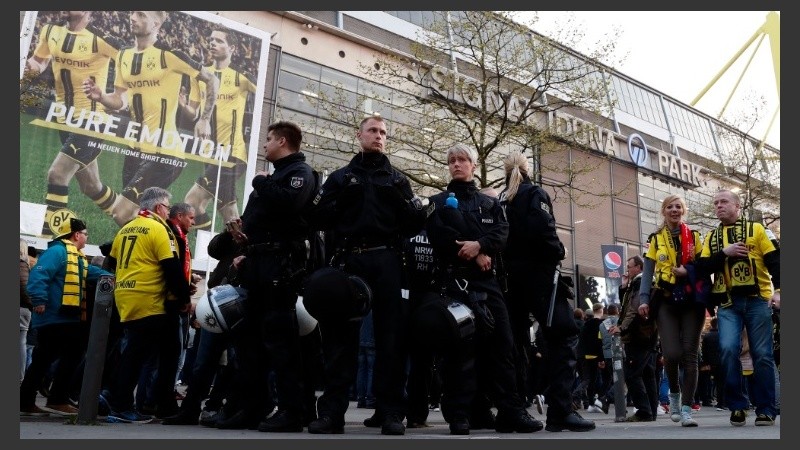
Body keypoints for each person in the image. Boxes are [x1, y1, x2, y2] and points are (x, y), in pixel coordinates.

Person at [305, 113, 426, 435]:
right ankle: (332, 414)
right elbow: (316, 217)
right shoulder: (340, 178)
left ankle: (391, 412)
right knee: (340, 339)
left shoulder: (398, 180)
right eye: (372, 130)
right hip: (349, 260)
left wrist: (404, 203)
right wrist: (339, 203)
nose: (379, 136)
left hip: (387, 260)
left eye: (383, 132)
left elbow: (416, 223)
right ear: (359, 136)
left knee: (391, 340)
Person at [423, 143, 542, 435]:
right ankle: (460, 415)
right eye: (452, 160)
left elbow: (501, 233)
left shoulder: (489, 204)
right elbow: (441, 236)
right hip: (454, 283)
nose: (456, 164)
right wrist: (476, 251)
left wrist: (481, 245)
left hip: (488, 284)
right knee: (460, 349)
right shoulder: (437, 202)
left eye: (462, 160)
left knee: (504, 346)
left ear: (473, 165)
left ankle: (510, 412)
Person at [82, 11, 219, 227]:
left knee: (121, 213)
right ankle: (164, 244)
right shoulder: (124, 55)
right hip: (134, 149)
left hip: (164, 152)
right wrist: (102, 97)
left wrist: (204, 119)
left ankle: (170, 242)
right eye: (132, 13)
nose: (133, 17)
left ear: (156, 23)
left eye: (141, 14)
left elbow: (212, 79)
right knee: (136, 218)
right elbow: (119, 100)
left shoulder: (169, 56)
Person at [225, 121, 318, 432]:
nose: (265, 144)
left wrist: (259, 182)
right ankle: (253, 406)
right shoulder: (275, 176)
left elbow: (290, 203)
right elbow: (259, 219)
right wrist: (242, 237)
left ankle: (292, 411)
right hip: (257, 263)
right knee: (250, 340)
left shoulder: (299, 173)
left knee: (280, 340)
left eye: (268, 139)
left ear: (282, 141)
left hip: (279, 265)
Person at [498, 149, 595, 432]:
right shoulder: (533, 194)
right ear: (527, 168)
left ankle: (513, 410)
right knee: (564, 336)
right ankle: (560, 410)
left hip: (509, 279)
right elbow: (543, 230)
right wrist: (559, 250)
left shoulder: (501, 199)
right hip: (539, 278)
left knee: (515, 344)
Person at [25, 11, 120, 238]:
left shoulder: (101, 40)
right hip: (64, 120)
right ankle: (133, 220)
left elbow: (131, 65)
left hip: (91, 121)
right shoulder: (51, 30)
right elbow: (39, 62)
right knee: (91, 186)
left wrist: (117, 96)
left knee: (57, 174)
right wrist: (26, 65)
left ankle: (49, 238)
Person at [103, 187, 192, 423]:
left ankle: (154, 403)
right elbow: (171, 267)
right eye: (167, 207)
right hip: (151, 299)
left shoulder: (127, 228)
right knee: (143, 353)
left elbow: (109, 262)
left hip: (126, 296)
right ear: (158, 207)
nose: (168, 212)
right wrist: (184, 297)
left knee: (145, 350)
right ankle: (121, 404)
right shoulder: (159, 228)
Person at [697, 189, 780, 427]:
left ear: (737, 206)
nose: (718, 206)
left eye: (723, 201)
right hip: (727, 303)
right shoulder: (712, 237)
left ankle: (766, 409)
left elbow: (776, 260)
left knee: (762, 354)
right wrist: (725, 253)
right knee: (727, 350)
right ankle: (737, 406)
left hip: (758, 300)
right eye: (715, 203)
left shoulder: (758, 229)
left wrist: (779, 290)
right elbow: (702, 267)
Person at [20, 218, 110, 416]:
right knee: (58, 356)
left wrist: (112, 277)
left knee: (52, 357)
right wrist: (39, 300)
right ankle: (54, 400)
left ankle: (33, 400)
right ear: (76, 235)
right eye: (85, 234)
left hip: (63, 318)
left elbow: (89, 272)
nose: (87, 237)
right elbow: (39, 275)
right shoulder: (58, 252)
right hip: (54, 317)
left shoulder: (75, 257)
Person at [181, 26, 257, 231]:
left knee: (192, 202)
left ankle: (210, 243)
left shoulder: (241, 77)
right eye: (211, 40)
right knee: (229, 213)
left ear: (232, 48)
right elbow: (194, 113)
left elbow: (262, 93)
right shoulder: (200, 75)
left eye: (219, 40)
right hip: (211, 154)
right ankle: (238, 247)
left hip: (231, 154)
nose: (212, 43)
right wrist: (184, 106)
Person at [638, 194, 704, 427]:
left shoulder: (694, 237)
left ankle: (686, 409)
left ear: (683, 211)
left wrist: (689, 271)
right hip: (666, 301)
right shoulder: (655, 239)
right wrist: (643, 299)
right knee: (672, 354)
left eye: (678, 207)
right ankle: (674, 394)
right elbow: (647, 272)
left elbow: (704, 267)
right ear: (663, 211)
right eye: (670, 207)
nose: (674, 210)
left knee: (690, 355)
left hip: (692, 301)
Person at [609, 255, 659, 421]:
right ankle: (651, 411)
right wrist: (624, 287)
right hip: (648, 335)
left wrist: (621, 328)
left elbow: (632, 310)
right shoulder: (643, 282)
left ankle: (644, 411)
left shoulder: (640, 283)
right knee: (648, 374)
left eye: (629, 267)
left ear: (639, 267)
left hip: (638, 336)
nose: (627, 270)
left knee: (632, 374)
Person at [598, 302, 620, 413]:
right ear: (617, 311)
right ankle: (606, 397)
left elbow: (600, 340)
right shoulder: (620, 322)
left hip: (606, 355)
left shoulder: (602, 324)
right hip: (618, 354)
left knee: (612, 379)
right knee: (619, 379)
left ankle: (618, 406)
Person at [20, 239, 34, 384]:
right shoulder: (23, 264)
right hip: (22, 308)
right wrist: (31, 304)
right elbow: (24, 288)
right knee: (21, 343)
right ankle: (20, 377)